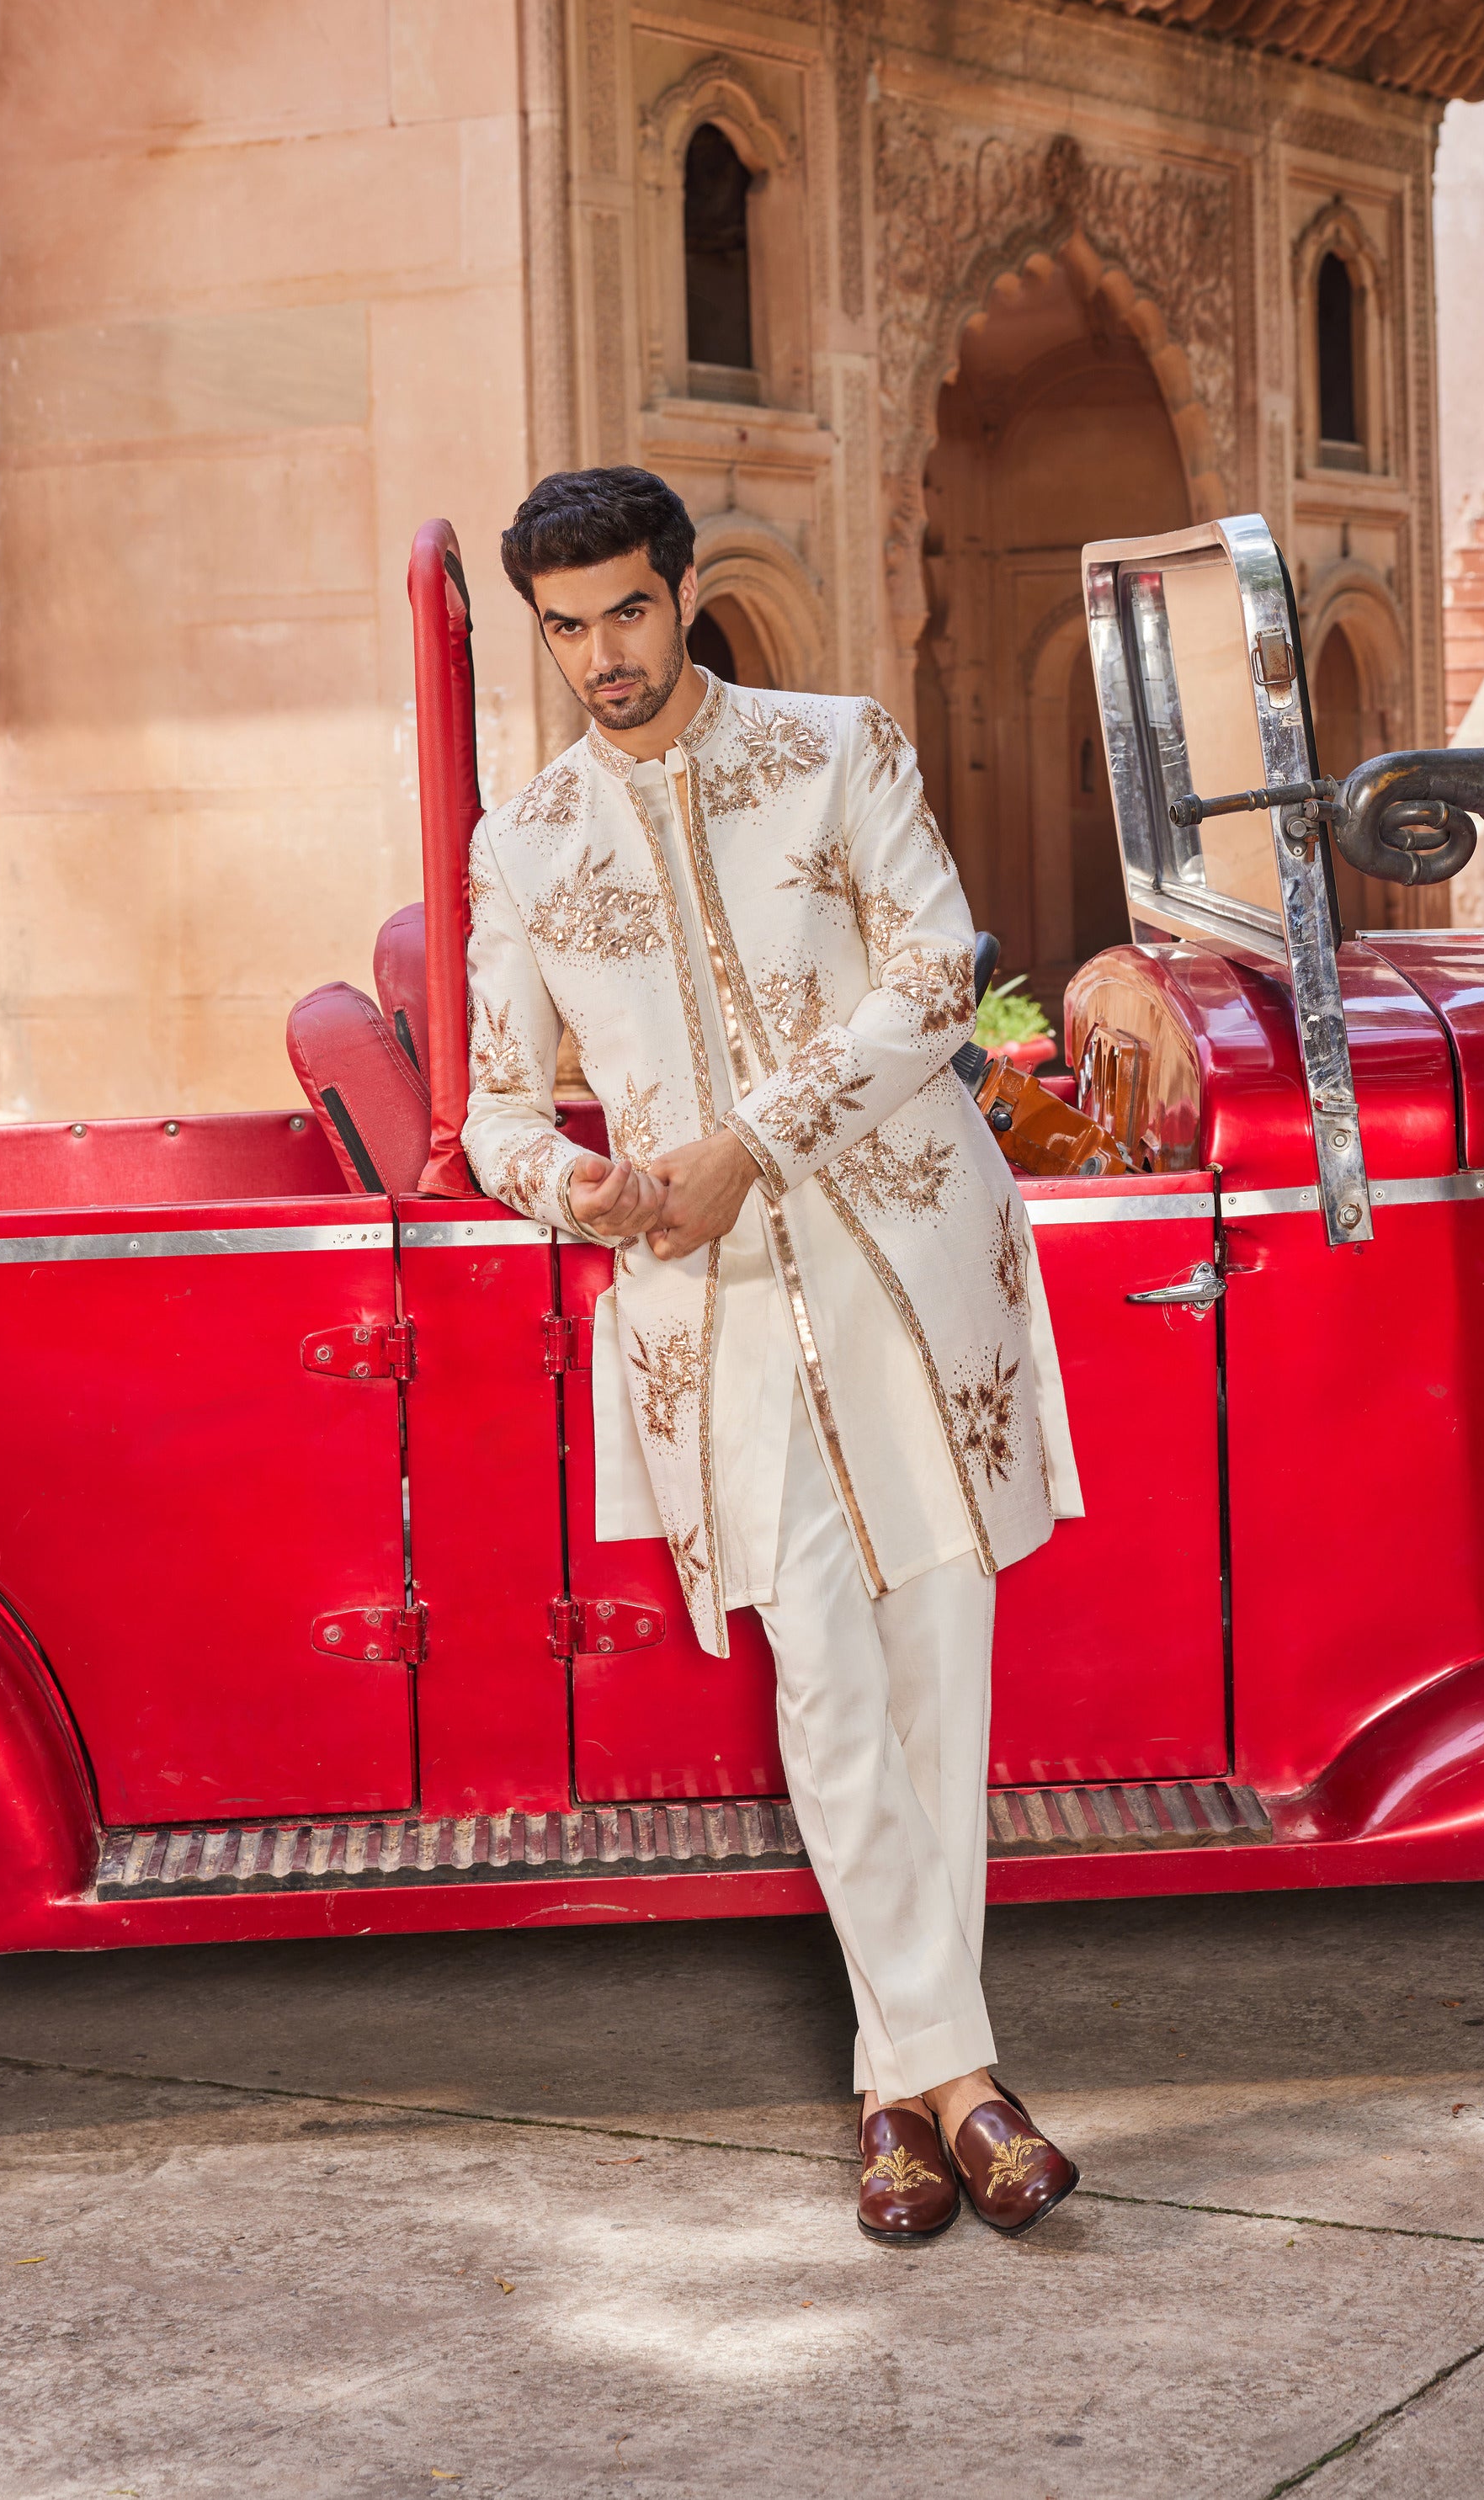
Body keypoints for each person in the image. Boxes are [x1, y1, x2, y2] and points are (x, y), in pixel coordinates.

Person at [462, 465, 1085, 2243]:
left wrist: (755, 1138)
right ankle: (960, 2080)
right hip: (709, 1313)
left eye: (629, 612)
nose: (603, 655)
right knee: (826, 1675)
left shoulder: (838, 748)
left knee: (936, 1671)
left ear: (684, 593)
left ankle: (897, 2096)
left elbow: (935, 981)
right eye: (567, 628)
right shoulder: (527, 845)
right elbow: (499, 1109)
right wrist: (580, 1188)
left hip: (908, 1264)